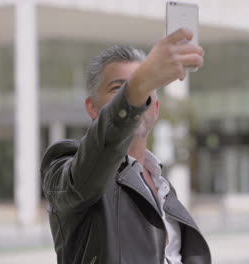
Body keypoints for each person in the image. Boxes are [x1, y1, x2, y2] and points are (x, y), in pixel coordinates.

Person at [41, 28, 211, 264]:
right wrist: (140, 83)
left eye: (145, 92)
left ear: (157, 109)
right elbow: (88, 171)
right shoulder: (65, 165)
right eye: (118, 89)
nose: (140, 101)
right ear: (92, 107)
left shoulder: (163, 186)